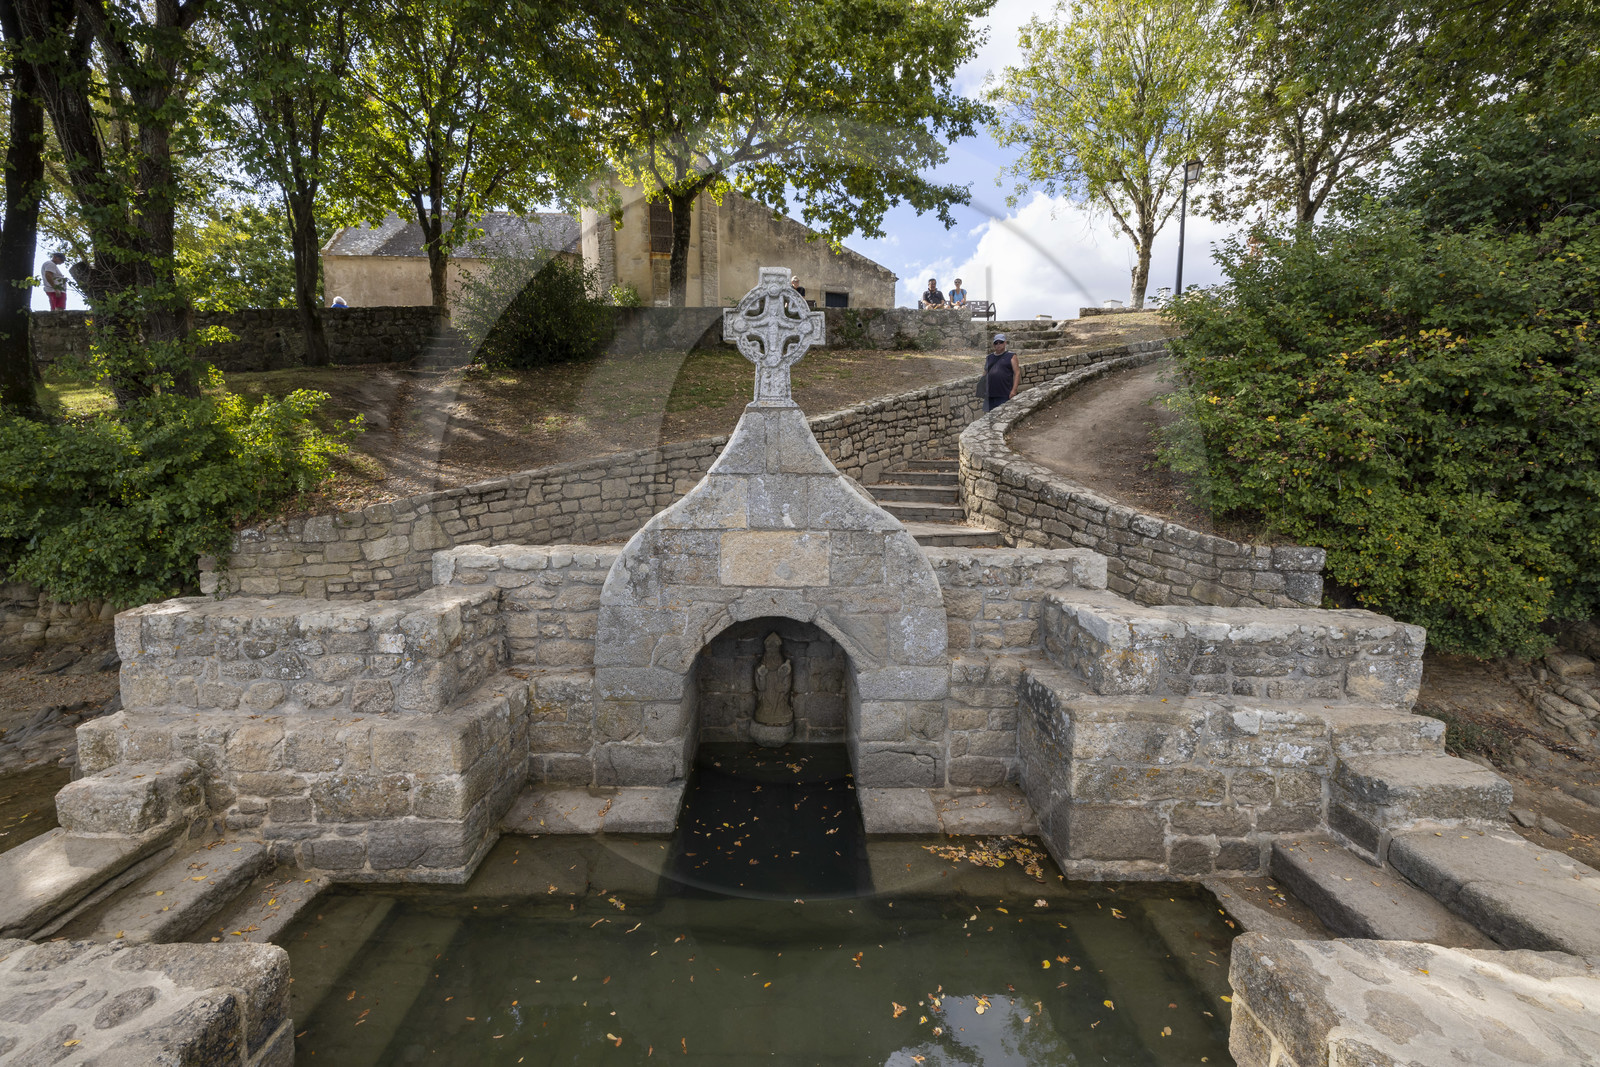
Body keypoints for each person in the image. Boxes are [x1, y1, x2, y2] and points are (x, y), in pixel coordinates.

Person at [983, 333, 1019, 412]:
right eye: (996, 343)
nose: (998, 344)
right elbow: (985, 373)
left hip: (1004, 394)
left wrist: (1014, 390)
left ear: (1005, 343)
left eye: (1001, 342)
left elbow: (1017, 373)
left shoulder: (1011, 356)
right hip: (990, 395)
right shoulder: (989, 357)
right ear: (993, 345)